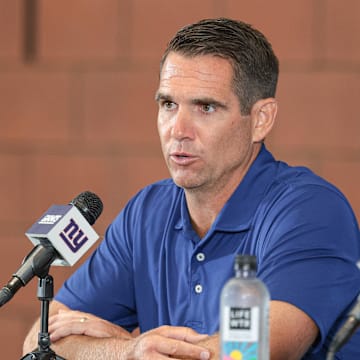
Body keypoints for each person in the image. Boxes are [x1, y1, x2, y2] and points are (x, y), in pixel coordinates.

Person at [23, 18, 360, 359]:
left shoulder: (311, 211)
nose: (178, 130)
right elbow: (41, 338)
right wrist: (126, 350)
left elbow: (252, 353)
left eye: (206, 107)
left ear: (261, 119)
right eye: (168, 105)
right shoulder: (146, 213)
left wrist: (134, 349)